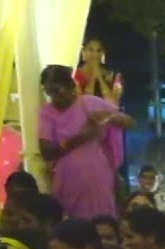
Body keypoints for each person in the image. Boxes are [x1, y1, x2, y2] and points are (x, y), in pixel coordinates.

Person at [39, 65, 133, 221]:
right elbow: (46, 151)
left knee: (101, 221)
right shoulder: (47, 112)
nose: (53, 96)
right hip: (67, 178)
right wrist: (80, 138)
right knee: (74, 225)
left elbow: (129, 122)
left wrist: (109, 117)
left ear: (70, 86)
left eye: (57, 90)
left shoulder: (89, 103)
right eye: (48, 92)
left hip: (97, 174)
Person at [75, 36, 123, 105]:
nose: (95, 54)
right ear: (83, 52)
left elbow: (113, 104)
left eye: (99, 50)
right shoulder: (74, 75)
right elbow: (83, 105)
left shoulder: (113, 76)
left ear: (103, 54)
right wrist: (93, 78)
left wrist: (100, 79)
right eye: (90, 49)